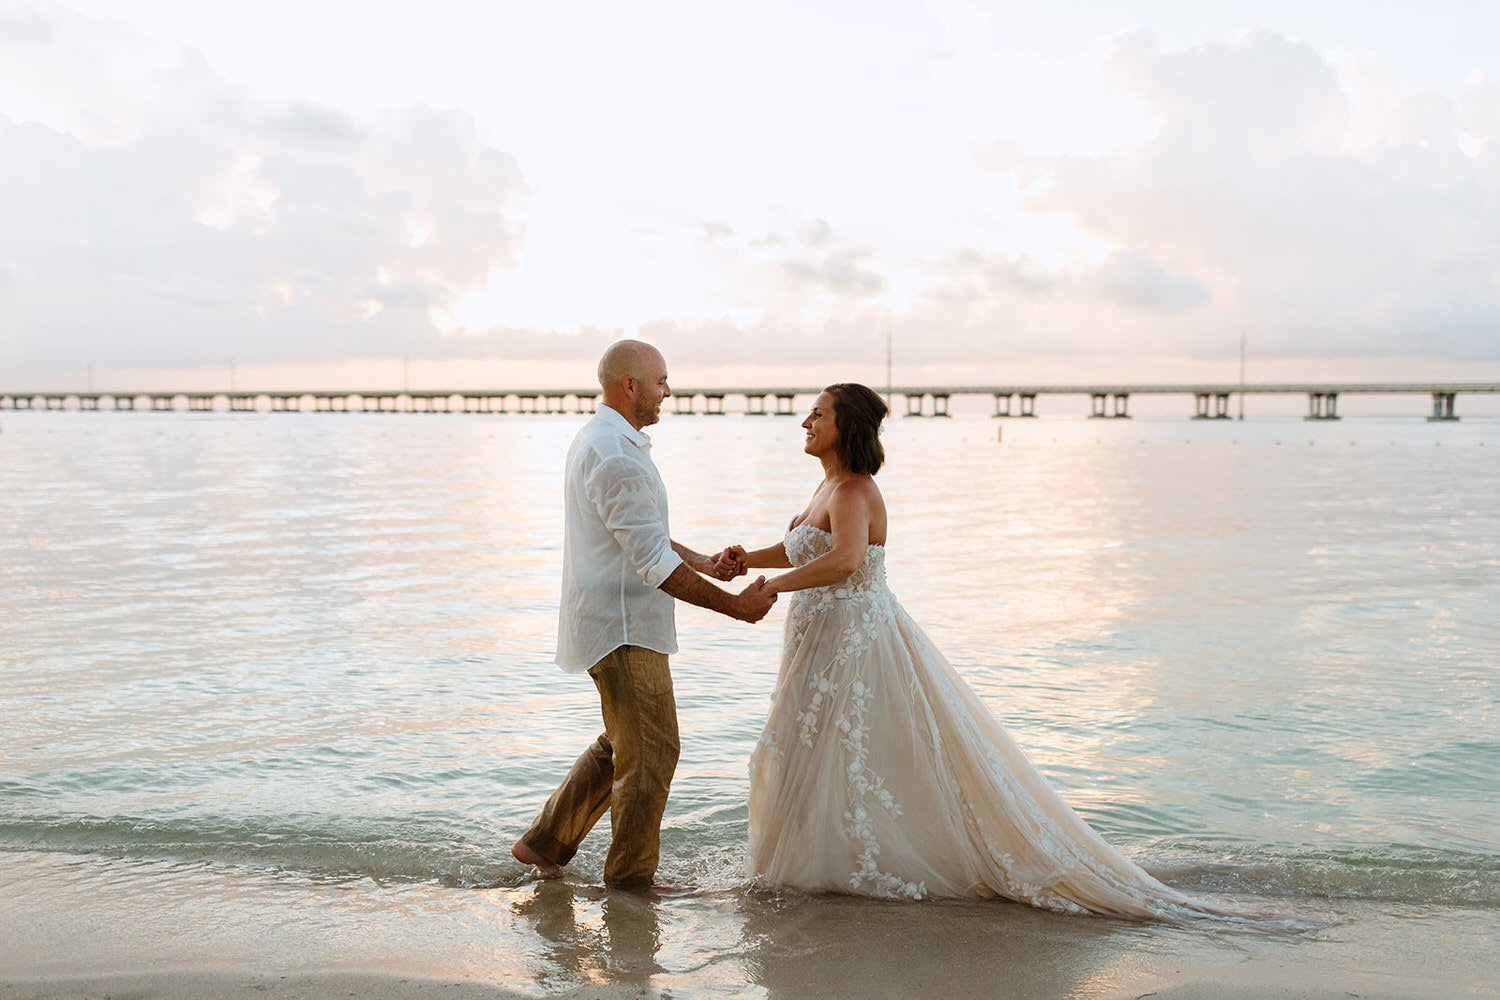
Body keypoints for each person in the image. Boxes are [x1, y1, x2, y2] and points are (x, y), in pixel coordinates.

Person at [715, 383, 1238, 919]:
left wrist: (774, 588)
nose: (805, 422)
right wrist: (748, 559)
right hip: (821, 643)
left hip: (853, 643)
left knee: (848, 750)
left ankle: (850, 862)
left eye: (817, 414)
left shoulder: (853, 491)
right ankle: (822, 858)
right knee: (813, 748)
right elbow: (806, 546)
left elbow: (846, 560)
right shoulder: (827, 488)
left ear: (845, 427)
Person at [511, 340, 778, 890]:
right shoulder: (614, 454)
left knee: (625, 743)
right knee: (653, 749)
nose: (668, 391)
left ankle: (542, 844)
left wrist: (703, 561)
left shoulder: (607, 442)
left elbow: (642, 536)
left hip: (614, 620)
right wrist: (738, 608)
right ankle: (631, 879)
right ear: (629, 384)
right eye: (661, 381)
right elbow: (653, 563)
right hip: (624, 629)